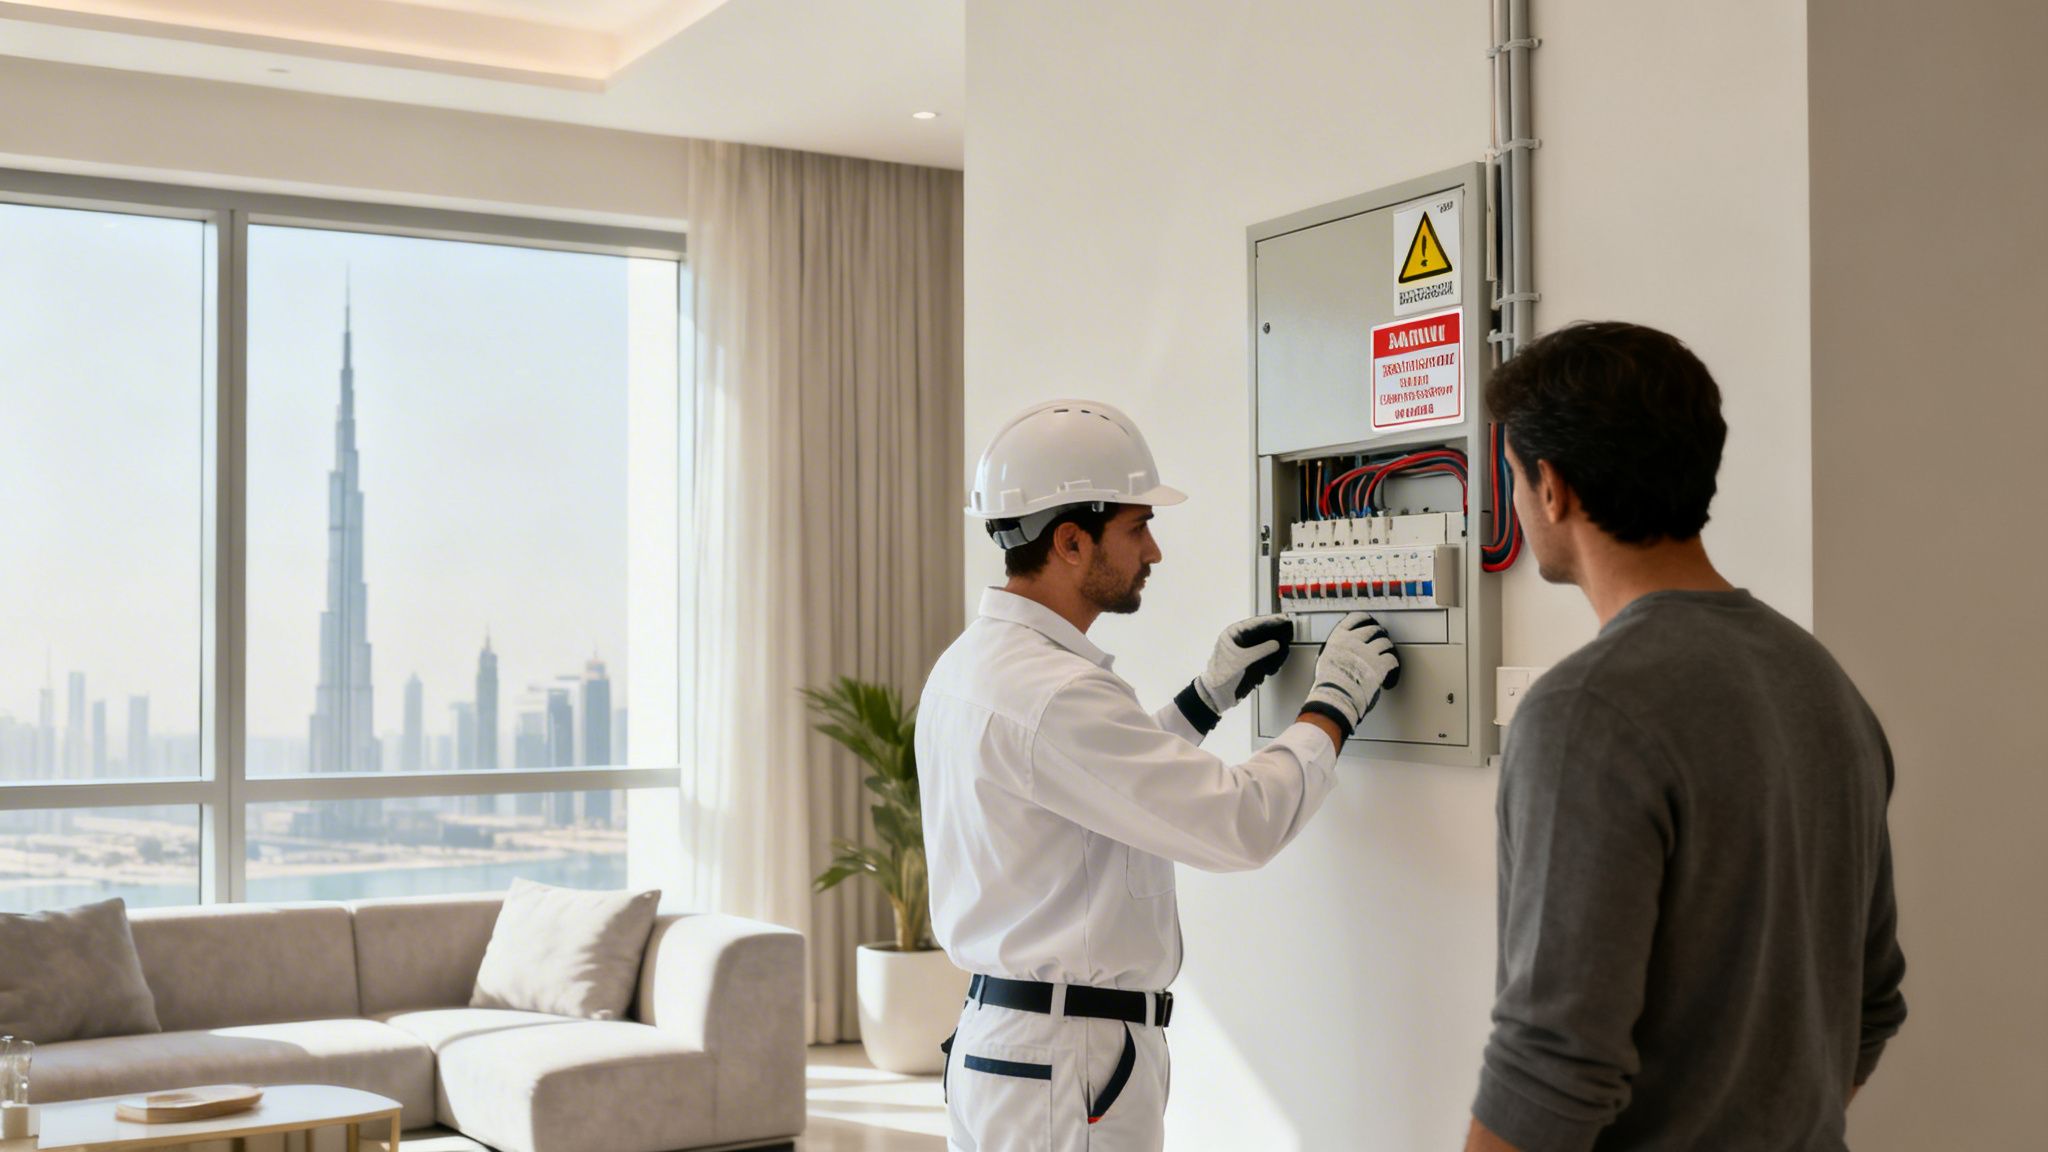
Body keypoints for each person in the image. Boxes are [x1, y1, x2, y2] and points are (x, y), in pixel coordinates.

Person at [1464, 323, 1908, 1152]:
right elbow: (1871, 1004)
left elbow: (1553, 1065)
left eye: (1514, 479)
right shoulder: (1825, 686)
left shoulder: (1584, 712)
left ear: (1550, 488)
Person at [918, 398, 1400, 1152]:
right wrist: (1331, 708)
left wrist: (1204, 699)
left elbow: (1089, 794)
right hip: (1063, 1060)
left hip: (1012, 1049)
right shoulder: (1055, 692)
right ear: (1071, 542)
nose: (1153, 551)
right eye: (1137, 528)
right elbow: (1239, 823)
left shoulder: (973, 667)